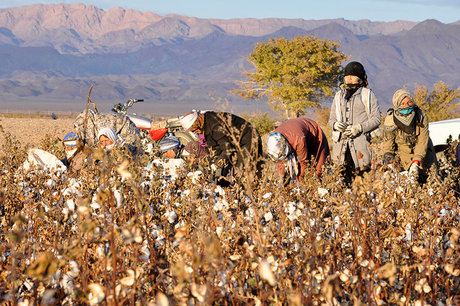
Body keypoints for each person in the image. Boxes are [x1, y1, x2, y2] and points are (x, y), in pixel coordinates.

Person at [328, 61, 381, 183]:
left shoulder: (368, 95)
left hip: (361, 146)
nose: (349, 79)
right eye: (347, 77)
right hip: (340, 148)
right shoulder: (338, 96)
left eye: (352, 76)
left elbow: (376, 118)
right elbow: (331, 120)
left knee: (363, 180)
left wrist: (359, 128)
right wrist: (335, 125)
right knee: (342, 180)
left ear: (359, 78)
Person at [179, 110, 263, 185]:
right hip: (236, 142)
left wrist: (216, 164)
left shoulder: (215, 125)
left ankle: (252, 191)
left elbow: (227, 148)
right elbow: (216, 147)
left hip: (248, 138)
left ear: (197, 122)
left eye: (193, 129)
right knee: (230, 170)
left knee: (245, 170)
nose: (194, 132)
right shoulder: (206, 123)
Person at [382, 89, 437, 181]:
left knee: (431, 184)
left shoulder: (420, 116)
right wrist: (389, 161)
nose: (406, 106)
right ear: (396, 105)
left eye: (409, 102)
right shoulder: (390, 121)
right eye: (402, 103)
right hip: (405, 159)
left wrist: (416, 162)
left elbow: (422, 141)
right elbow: (388, 145)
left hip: (425, 155)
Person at [265, 118, 330, 184]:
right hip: (299, 134)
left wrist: (300, 184)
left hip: (315, 136)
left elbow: (303, 163)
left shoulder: (298, 140)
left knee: (318, 168)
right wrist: (281, 179)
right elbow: (280, 163)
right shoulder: (275, 139)